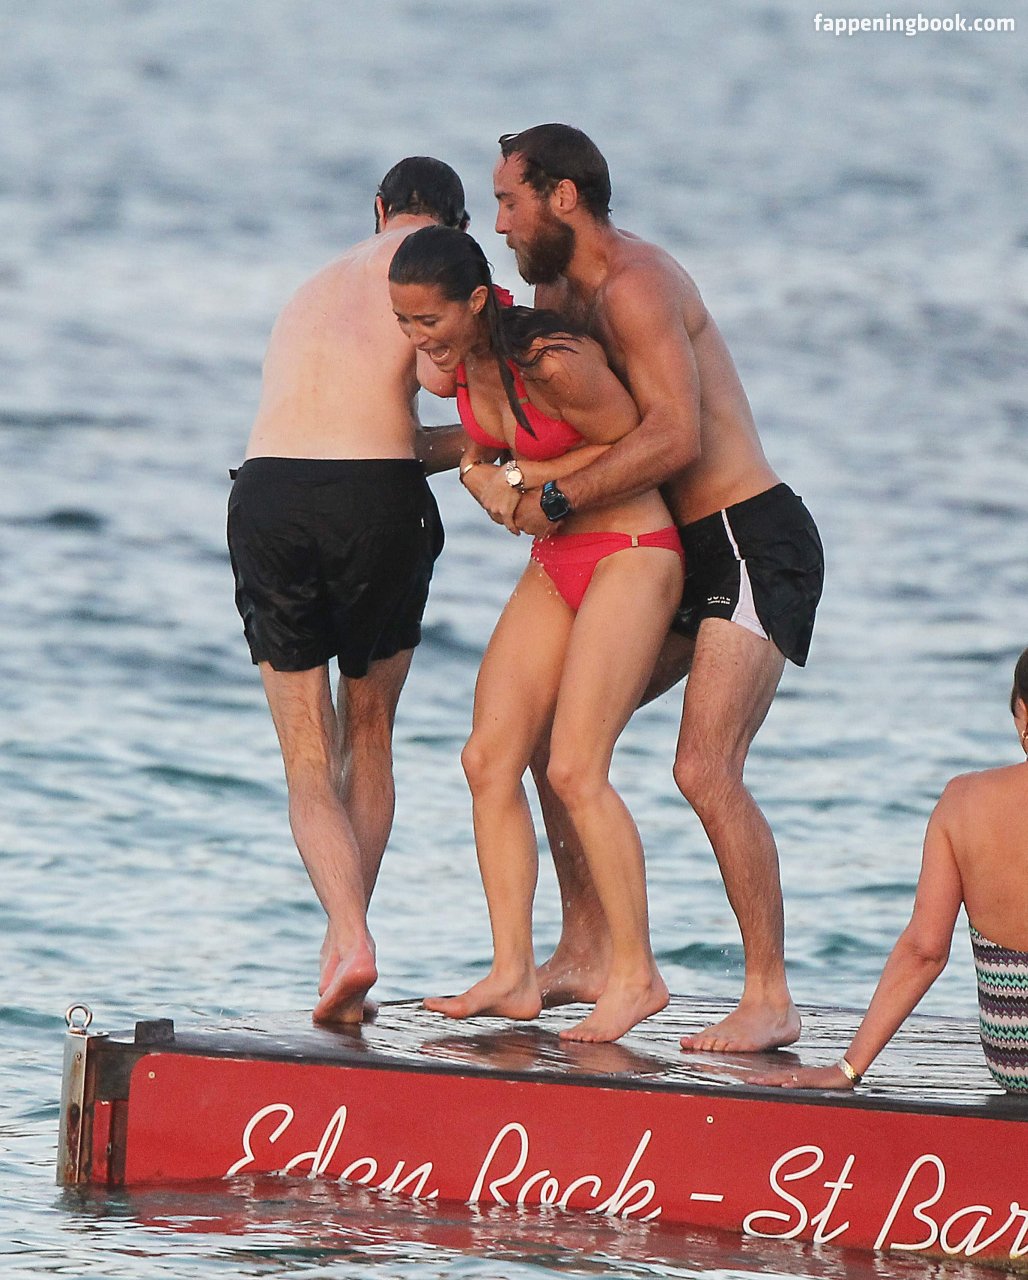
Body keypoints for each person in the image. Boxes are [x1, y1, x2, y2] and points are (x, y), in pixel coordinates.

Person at [490, 124, 826, 1053]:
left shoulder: (638, 286)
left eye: (510, 202)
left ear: (563, 196)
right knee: (555, 743)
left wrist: (558, 498)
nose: (501, 224)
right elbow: (547, 424)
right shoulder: (555, 297)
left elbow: (677, 436)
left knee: (702, 768)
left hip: (748, 538)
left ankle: (770, 996)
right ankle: (587, 949)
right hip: (667, 550)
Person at [388, 226, 685, 1042]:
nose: (418, 339)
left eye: (428, 321)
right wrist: (479, 472)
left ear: (475, 302)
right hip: (557, 558)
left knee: (575, 768)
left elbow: (633, 444)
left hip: (631, 549)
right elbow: (480, 455)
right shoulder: (464, 369)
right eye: (404, 323)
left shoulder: (554, 361)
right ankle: (514, 972)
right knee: (487, 758)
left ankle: (637, 975)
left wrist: (519, 477)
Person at [227, 158, 468, 1025]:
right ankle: (350, 941)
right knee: (368, 735)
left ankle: (347, 943)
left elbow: (335, 424)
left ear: (378, 208)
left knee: (305, 757)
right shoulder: (433, 274)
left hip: (265, 493)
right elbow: (436, 406)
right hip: (374, 502)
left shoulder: (313, 285)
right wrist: (490, 447)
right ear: (456, 225)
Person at [752, 648, 1028, 1093]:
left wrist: (847, 1069)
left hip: (1016, 1063)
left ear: (1023, 710)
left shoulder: (962, 802)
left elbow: (924, 951)